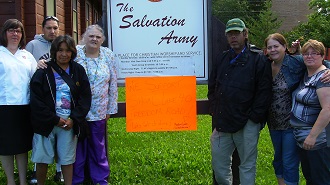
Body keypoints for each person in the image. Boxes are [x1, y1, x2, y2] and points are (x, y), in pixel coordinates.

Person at [208, 18, 272, 185]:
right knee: (219, 166)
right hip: (223, 122)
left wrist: (254, 119)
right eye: (230, 34)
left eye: (236, 33)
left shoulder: (258, 58)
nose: (233, 37)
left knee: (247, 166)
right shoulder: (222, 58)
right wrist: (216, 109)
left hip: (248, 124)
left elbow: (264, 92)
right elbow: (212, 87)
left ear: (245, 34)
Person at [30, 35, 91, 185]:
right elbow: (36, 99)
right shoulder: (43, 70)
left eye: (68, 50)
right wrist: (53, 119)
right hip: (46, 122)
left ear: (73, 52)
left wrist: (74, 119)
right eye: (60, 50)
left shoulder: (78, 70)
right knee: (42, 158)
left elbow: (85, 97)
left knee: (67, 158)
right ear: (54, 51)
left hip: (68, 122)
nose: (64, 54)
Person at [72, 24, 118, 185]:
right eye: (91, 36)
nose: (94, 39)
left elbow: (113, 83)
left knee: (98, 147)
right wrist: (42, 63)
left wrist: (110, 109)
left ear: (102, 40)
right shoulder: (76, 52)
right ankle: (77, 179)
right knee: (78, 147)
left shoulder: (108, 55)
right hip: (78, 110)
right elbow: (57, 59)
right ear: (84, 37)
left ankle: (100, 178)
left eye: (98, 37)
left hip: (99, 109)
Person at [25, 15, 63, 184]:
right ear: (42, 29)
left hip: (61, 98)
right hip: (41, 97)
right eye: (49, 28)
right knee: (40, 136)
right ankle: (36, 171)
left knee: (62, 136)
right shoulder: (33, 46)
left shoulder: (63, 45)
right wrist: (36, 65)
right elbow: (27, 67)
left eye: (55, 28)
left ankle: (59, 170)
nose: (52, 31)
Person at [0, 19, 37, 185]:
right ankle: (10, 181)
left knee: (22, 146)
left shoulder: (27, 56)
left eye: (18, 31)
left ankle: (22, 181)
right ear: (5, 33)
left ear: (22, 35)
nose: (15, 34)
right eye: (11, 30)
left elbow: (36, 79)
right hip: (3, 107)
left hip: (24, 107)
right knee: (5, 147)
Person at [290, 39, 330, 185]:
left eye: (314, 53)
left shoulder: (325, 77)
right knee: (311, 178)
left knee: (321, 180)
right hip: (302, 138)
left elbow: (327, 109)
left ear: (323, 56)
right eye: (306, 53)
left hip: (319, 141)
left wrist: (313, 136)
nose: (309, 56)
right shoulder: (306, 74)